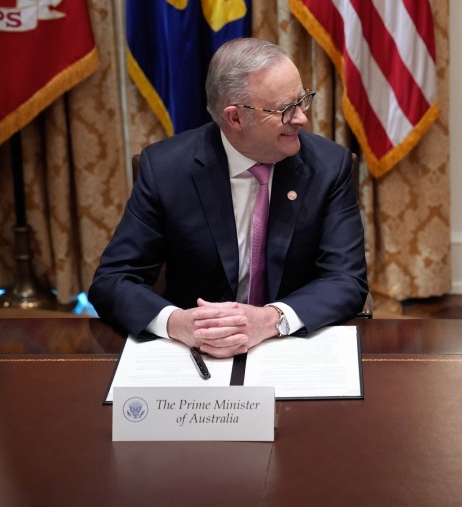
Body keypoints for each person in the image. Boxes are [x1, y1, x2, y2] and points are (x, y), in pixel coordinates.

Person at [90, 38, 368, 357]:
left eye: (302, 100)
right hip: (196, 353)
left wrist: (271, 320)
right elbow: (113, 280)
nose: (302, 118)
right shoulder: (167, 170)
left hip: (290, 345)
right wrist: (177, 323)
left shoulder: (329, 167)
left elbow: (346, 279)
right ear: (235, 118)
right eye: (286, 109)